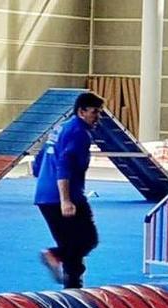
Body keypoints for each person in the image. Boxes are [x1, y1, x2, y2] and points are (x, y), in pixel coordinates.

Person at [34, 91, 103, 289]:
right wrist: (65, 199)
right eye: (95, 112)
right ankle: (54, 255)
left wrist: (42, 178)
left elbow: (40, 161)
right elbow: (64, 164)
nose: (98, 117)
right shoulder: (79, 133)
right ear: (81, 112)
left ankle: (72, 291)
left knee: (71, 246)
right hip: (65, 196)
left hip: (44, 196)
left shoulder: (60, 127)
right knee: (88, 239)